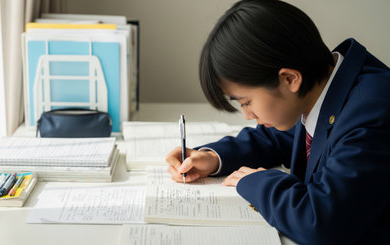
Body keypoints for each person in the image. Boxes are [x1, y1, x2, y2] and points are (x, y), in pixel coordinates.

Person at [165, 0, 390, 244]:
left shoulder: (372, 112)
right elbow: (277, 136)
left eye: (246, 101)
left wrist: (255, 182)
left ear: (289, 79)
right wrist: (213, 158)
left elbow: (322, 223)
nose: (247, 115)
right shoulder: (324, 90)